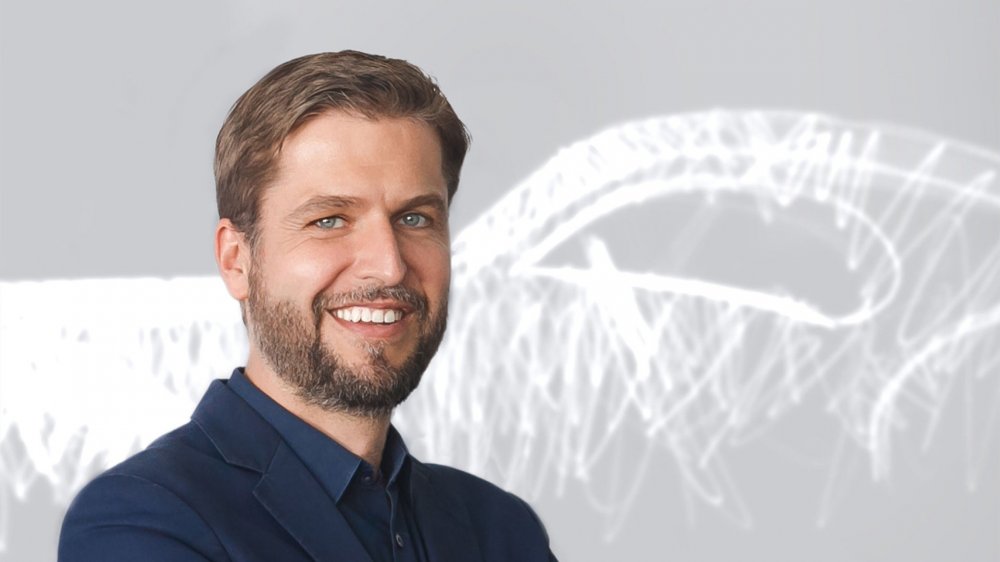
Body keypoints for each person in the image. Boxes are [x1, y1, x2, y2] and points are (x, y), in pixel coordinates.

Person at [58, 50, 556, 561]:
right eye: (329, 220)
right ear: (236, 260)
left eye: (414, 219)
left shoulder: (502, 529)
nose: (388, 266)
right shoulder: (142, 519)